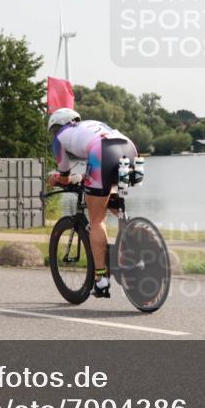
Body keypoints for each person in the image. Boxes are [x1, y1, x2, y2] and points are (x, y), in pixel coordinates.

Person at [47, 108, 138, 298]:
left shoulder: (60, 137)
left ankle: (101, 280)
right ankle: (135, 237)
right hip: (129, 148)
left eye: (53, 131)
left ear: (57, 126)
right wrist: (83, 176)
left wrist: (57, 178)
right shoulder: (90, 125)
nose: (54, 135)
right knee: (114, 201)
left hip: (102, 152)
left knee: (97, 219)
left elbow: (64, 177)